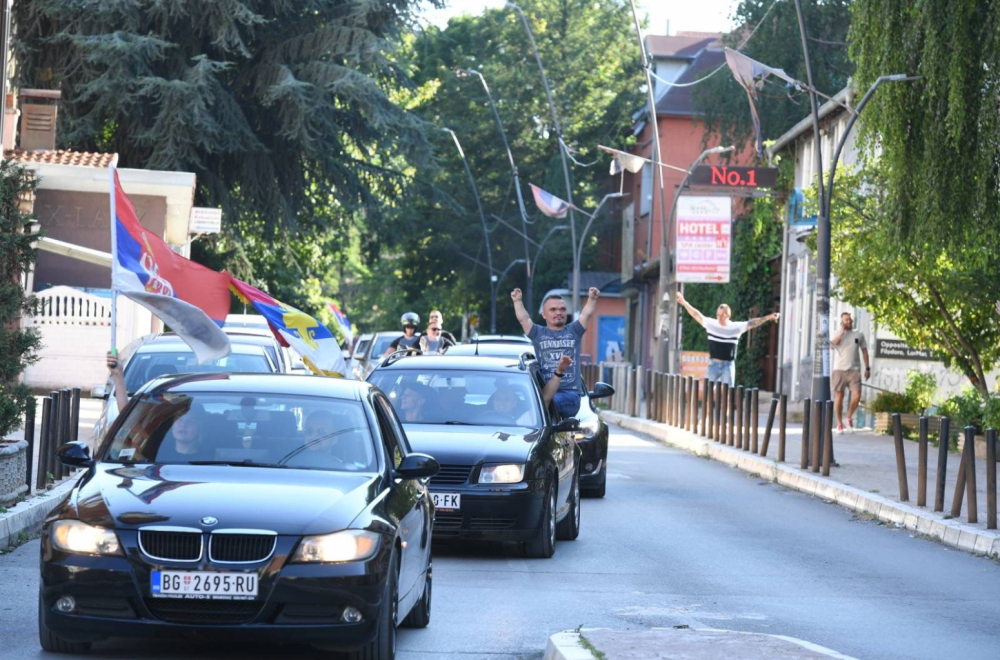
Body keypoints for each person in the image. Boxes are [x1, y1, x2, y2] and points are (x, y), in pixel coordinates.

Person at [512, 287, 600, 418]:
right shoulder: (537, 333)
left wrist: (592, 298)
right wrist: (517, 301)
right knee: (529, 407)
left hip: (569, 395)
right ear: (544, 314)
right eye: (553, 309)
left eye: (562, 309)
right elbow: (523, 319)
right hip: (546, 393)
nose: (558, 312)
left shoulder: (574, 330)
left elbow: (586, 314)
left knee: (545, 406)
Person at [675, 292, 778, 386]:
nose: (719, 318)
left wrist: (768, 317)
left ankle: (727, 407)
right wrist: (684, 302)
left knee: (728, 393)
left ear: (728, 315)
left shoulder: (735, 327)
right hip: (713, 364)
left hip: (728, 365)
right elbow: (696, 314)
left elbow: (752, 323)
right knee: (708, 392)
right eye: (718, 315)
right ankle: (707, 407)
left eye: (723, 315)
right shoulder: (711, 324)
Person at [831, 312, 870, 433]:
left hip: (854, 370)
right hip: (839, 369)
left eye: (850, 319)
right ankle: (839, 423)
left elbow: (864, 351)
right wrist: (842, 333)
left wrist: (867, 368)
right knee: (839, 396)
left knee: (857, 395)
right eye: (846, 320)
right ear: (842, 322)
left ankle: (848, 417)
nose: (849, 321)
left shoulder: (859, 334)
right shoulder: (837, 333)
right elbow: (832, 346)